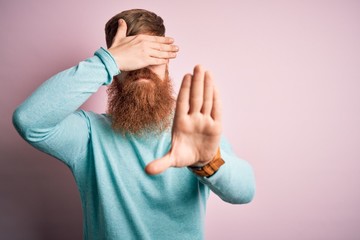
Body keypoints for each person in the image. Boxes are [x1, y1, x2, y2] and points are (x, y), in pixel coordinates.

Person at [12, 8, 255, 240]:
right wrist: (108, 61)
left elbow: (244, 191)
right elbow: (29, 120)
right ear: (114, 72)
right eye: (132, 58)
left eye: (152, 56)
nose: (142, 68)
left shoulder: (191, 131)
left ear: (167, 63)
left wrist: (207, 162)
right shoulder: (88, 136)